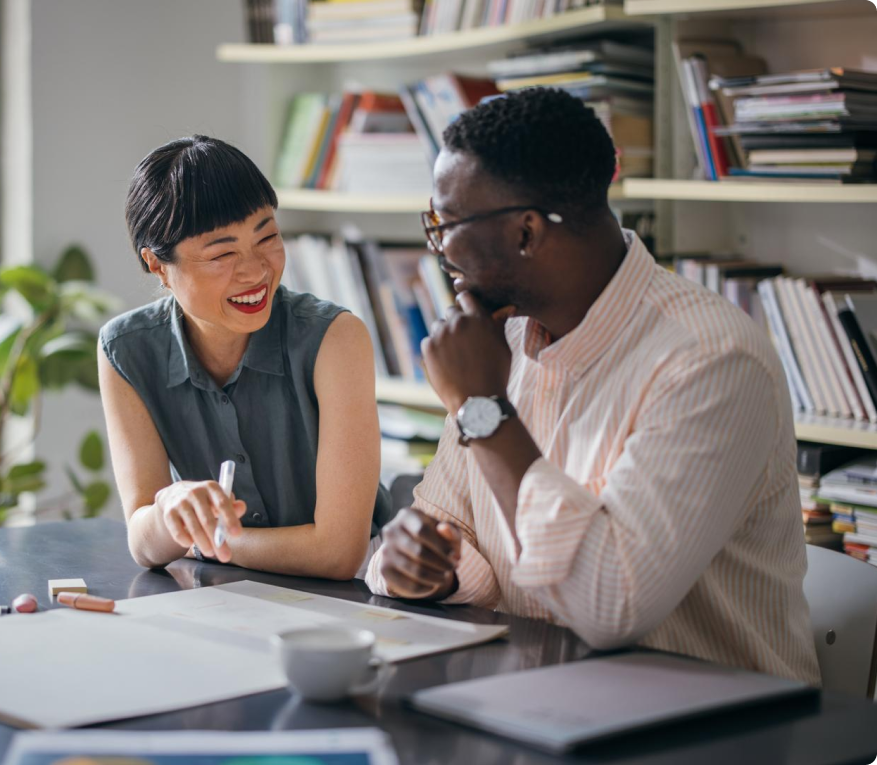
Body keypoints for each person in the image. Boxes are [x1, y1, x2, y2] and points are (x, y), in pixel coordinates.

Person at [366, 88, 820, 684]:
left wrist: (483, 409)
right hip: (543, 694)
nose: (440, 252)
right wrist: (430, 567)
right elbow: (458, 533)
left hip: (709, 727)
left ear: (527, 233)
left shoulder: (710, 361)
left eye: (446, 225)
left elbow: (611, 604)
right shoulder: (499, 341)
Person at [98, 135, 392, 579]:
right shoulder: (126, 349)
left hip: (357, 593)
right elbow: (143, 540)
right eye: (222, 254)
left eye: (267, 237)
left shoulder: (335, 338)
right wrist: (167, 511)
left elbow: (338, 553)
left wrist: (202, 542)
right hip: (226, 597)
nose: (256, 271)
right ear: (158, 266)